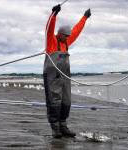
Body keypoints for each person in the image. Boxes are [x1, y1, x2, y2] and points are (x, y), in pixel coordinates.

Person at [43, 4, 91, 138]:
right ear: (60, 34)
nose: (67, 38)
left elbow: (76, 30)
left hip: (64, 76)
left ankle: (63, 126)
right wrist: (54, 14)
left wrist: (85, 17)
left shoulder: (66, 42)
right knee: (54, 102)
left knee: (66, 101)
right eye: (65, 36)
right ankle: (55, 129)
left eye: (68, 36)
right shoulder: (51, 40)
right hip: (52, 76)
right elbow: (49, 29)